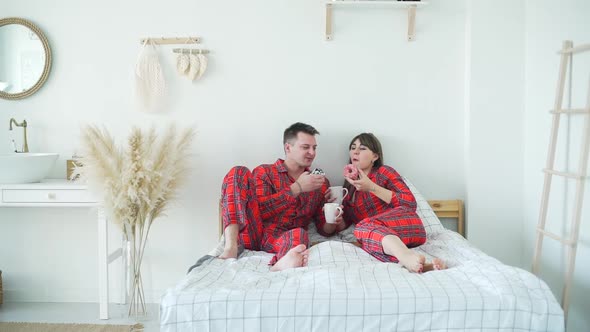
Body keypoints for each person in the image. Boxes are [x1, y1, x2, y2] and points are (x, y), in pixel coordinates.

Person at [218, 122, 343, 271]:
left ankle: (278, 266)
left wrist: (332, 220)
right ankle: (231, 247)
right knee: (238, 172)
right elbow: (260, 211)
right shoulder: (265, 172)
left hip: (284, 239)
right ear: (288, 148)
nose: (312, 152)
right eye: (305, 147)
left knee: (300, 234)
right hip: (255, 231)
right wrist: (297, 188)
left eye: (314, 148)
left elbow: (324, 230)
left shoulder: (320, 182)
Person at [341, 133, 446, 273]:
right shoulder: (350, 189)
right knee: (365, 240)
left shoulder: (384, 172)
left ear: (375, 157)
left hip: (407, 225)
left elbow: (409, 203)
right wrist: (334, 212)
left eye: (363, 148)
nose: (355, 151)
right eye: (353, 147)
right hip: (383, 236)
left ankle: (407, 256)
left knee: (363, 227)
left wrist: (372, 187)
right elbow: (345, 223)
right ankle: (423, 265)